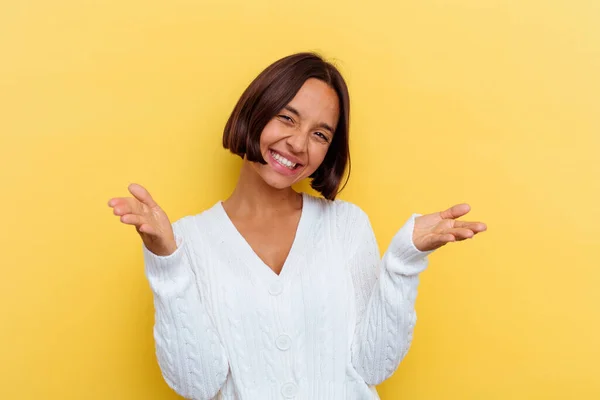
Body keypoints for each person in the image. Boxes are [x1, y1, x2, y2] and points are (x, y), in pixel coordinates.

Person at [108, 52, 487, 400]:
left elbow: (373, 367)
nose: (298, 143)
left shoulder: (346, 226)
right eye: (287, 118)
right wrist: (165, 262)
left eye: (320, 134)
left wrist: (404, 262)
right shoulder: (186, 242)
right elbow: (198, 384)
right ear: (256, 112)